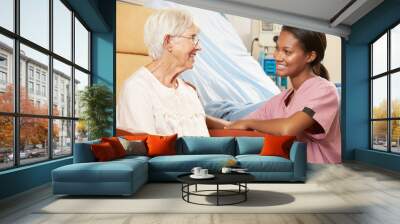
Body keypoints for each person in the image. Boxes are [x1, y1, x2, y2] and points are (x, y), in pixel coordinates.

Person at [226, 26, 341, 164]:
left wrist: (249, 122)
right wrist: (199, 116)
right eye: (277, 49)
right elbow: (236, 125)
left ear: (310, 56)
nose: (277, 56)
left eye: (287, 51)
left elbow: (288, 128)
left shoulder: (324, 90)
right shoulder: (280, 100)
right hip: (293, 175)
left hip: (320, 176)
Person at [117, 9, 228, 137]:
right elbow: (143, 150)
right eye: (192, 38)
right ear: (168, 42)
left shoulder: (189, 92)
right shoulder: (137, 89)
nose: (198, 47)